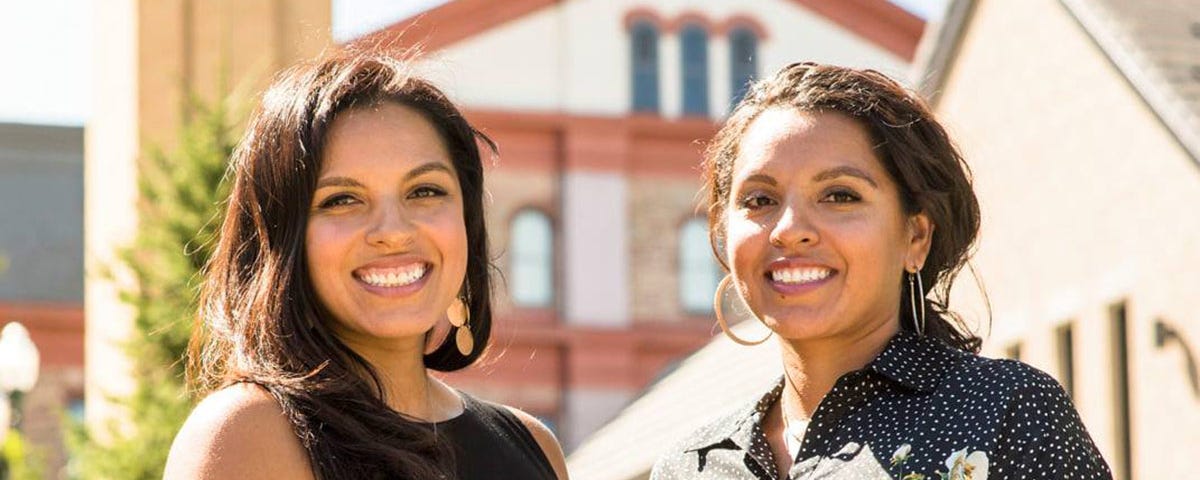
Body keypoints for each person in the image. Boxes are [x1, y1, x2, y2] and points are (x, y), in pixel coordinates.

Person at [651, 63, 1111, 479]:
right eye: (760, 201)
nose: (789, 231)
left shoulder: (1006, 411)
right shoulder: (692, 464)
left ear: (916, 237)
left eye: (839, 195)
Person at [164, 51, 568, 480]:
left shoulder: (534, 445)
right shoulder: (247, 434)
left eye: (425, 191)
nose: (393, 231)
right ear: (284, 238)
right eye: (342, 200)